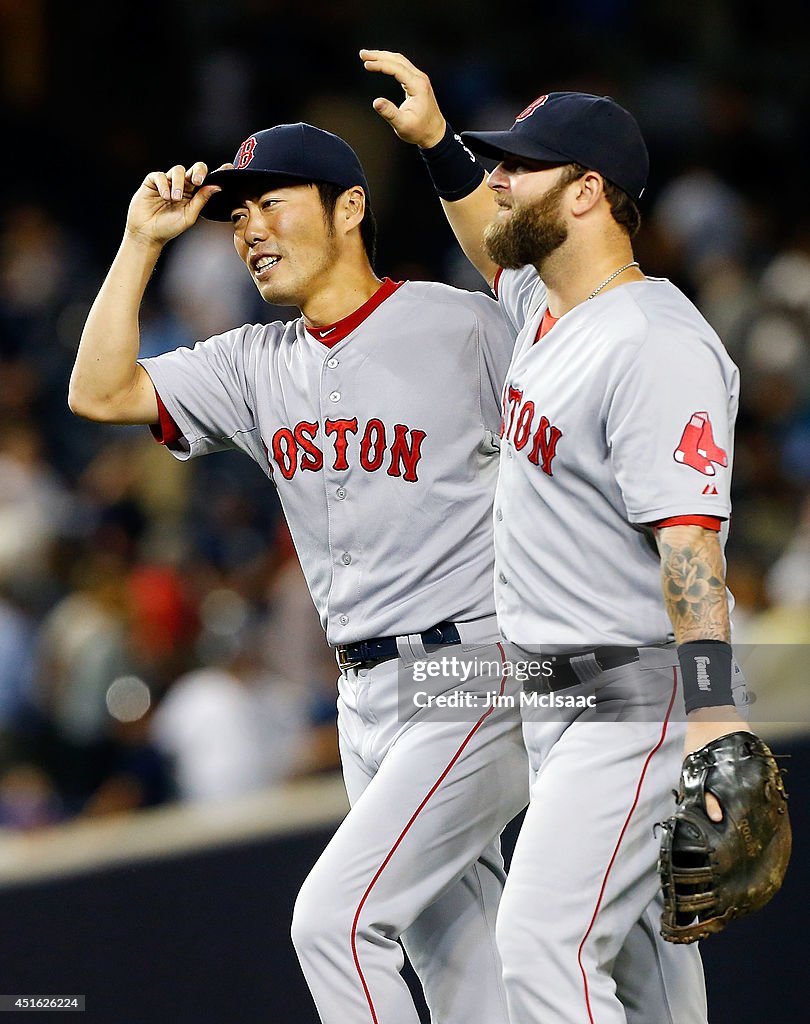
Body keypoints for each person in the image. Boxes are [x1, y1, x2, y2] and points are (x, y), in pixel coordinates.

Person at [68, 122, 528, 1023]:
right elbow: (99, 391)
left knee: (335, 922)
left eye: (271, 203)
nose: (249, 231)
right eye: (237, 216)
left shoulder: (459, 322)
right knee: (458, 961)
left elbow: (576, 442)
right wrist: (137, 243)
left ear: (349, 208)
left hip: (474, 672)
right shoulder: (252, 361)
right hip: (360, 696)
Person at [362, 49, 755, 1024]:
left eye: (521, 165)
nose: (499, 177)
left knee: (539, 945)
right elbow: (490, 244)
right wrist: (433, 143)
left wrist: (714, 719)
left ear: (587, 192)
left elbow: (692, 550)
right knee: (644, 982)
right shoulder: (549, 301)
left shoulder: (654, 344)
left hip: (632, 690)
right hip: (556, 687)